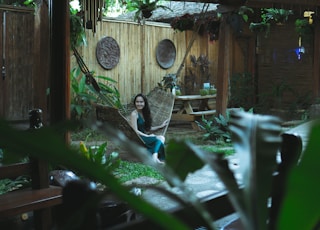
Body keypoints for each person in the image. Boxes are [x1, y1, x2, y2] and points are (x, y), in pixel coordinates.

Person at [130, 93, 169, 164]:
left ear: (144, 103)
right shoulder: (134, 114)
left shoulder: (144, 113)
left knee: (161, 138)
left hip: (144, 136)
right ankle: (155, 157)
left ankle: (154, 157)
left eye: (141, 102)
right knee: (160, 139)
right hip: (139, 137)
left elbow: (148, 129)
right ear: (135, 103)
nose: (139, 104)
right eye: (137, 102)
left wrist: (160, 126)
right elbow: (135, 130)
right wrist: (147, 136)